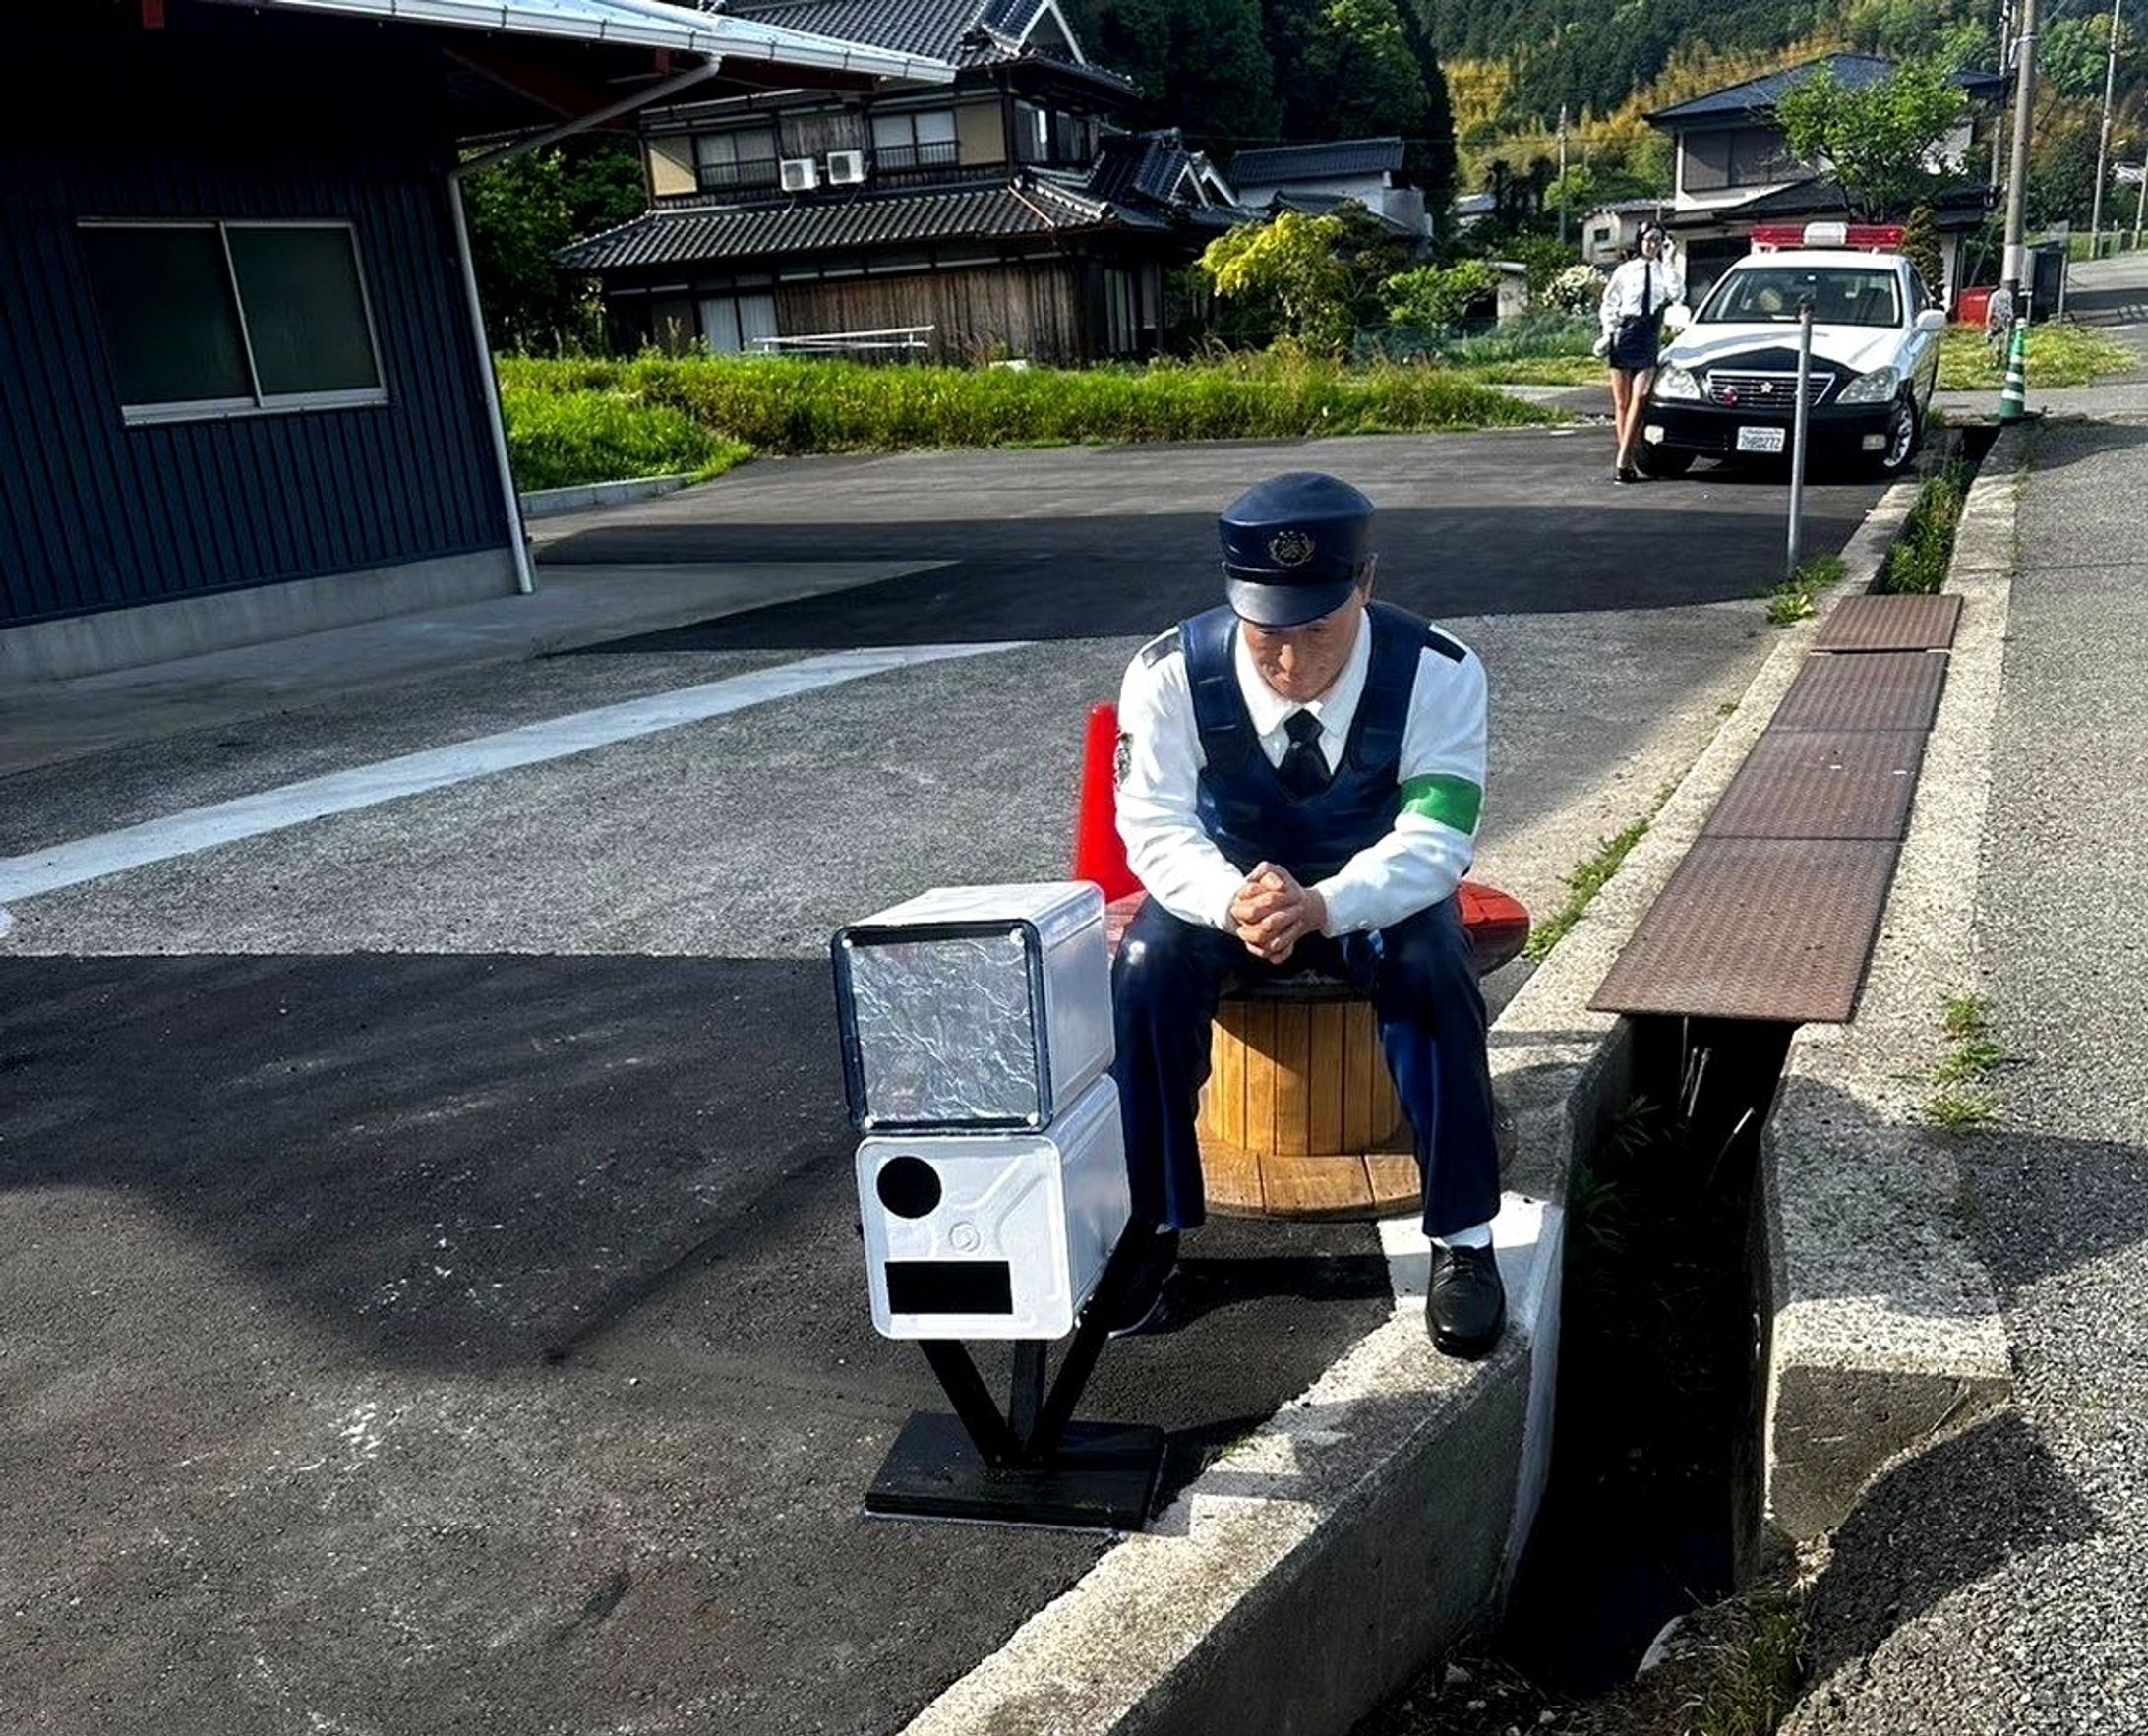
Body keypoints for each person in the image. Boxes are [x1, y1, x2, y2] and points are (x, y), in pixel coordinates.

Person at [1106, 472, 1505, 1358]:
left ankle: (1465, 1235)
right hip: (1224, 888)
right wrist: (1228, 898)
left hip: (1373, 890)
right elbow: (1152, 820)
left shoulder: (1441, 673)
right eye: (1266, 634)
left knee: (1434, 971)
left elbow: (1436, 840)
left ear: (1364, 582)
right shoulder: (1167, 671)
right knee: (1143, 974)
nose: (1288, 662)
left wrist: (1324, 904)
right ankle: (1154, 1221)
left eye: (1316, 630)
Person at [1594, 222, 1685, 485]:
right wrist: (1609, 333)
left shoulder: (1664, 270)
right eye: (1648, 239)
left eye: (1658, 240)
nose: (1653, 244)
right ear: (1639, 240)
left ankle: (1623, 456)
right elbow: (1609, 303)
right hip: (1625, 333)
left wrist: (1668, 260)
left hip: (1648, 335)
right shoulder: (1625, 270)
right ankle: (1626, 462)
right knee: (1621, 403)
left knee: (1641, 395)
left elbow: (1677, 294)